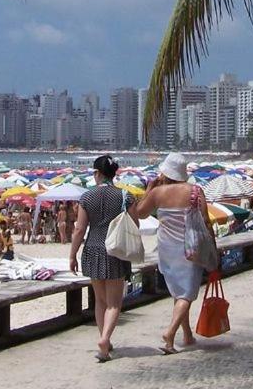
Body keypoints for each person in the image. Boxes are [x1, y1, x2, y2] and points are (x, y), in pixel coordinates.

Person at [135, 152, 214, 355]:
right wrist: (213, 246)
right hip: (190, 247)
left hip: (166, 248)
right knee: (187, 293)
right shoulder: (195, 190)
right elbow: (206, 220)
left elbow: (140, 213)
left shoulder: (157, 193)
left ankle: (186, 335)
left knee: (179, 291)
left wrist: (149, 191)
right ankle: (170, 334)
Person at [70, 155, 135, 363]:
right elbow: (134, 225)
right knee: (114, 304)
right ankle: (105, 340)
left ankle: (103, 339)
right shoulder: (126, 196)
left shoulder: (87, 197)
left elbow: (80, 229)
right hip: (116, 250)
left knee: (100, 300)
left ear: (97, 173)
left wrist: (72, 255)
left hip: (93, 249)